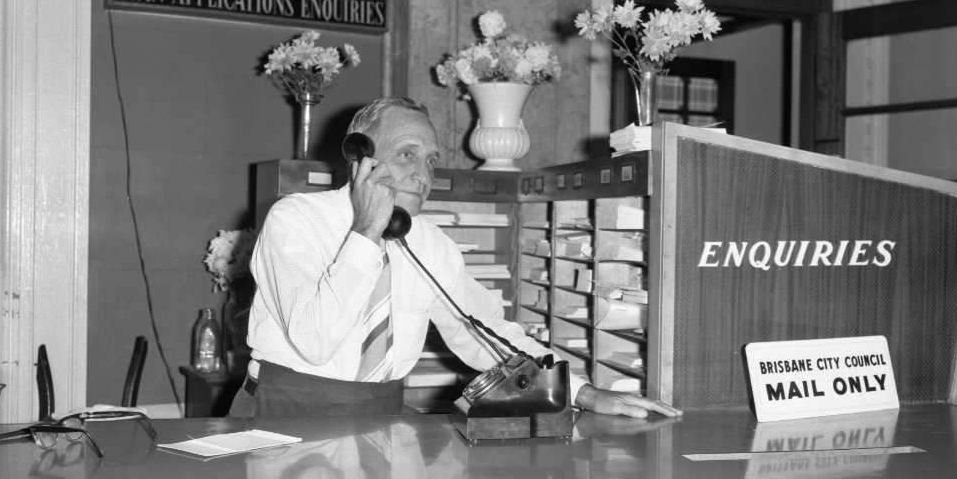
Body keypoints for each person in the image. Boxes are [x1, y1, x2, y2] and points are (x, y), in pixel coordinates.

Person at [228, 96, 681, 421]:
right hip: (284, 415)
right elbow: (314, 340)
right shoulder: (295, 221)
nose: (423, 175)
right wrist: (365, 232)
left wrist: (582, 392)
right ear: (359, 157)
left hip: (379, 419)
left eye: (430, 160)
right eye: (407, 154)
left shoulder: (429, 243)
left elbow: (485, 335)